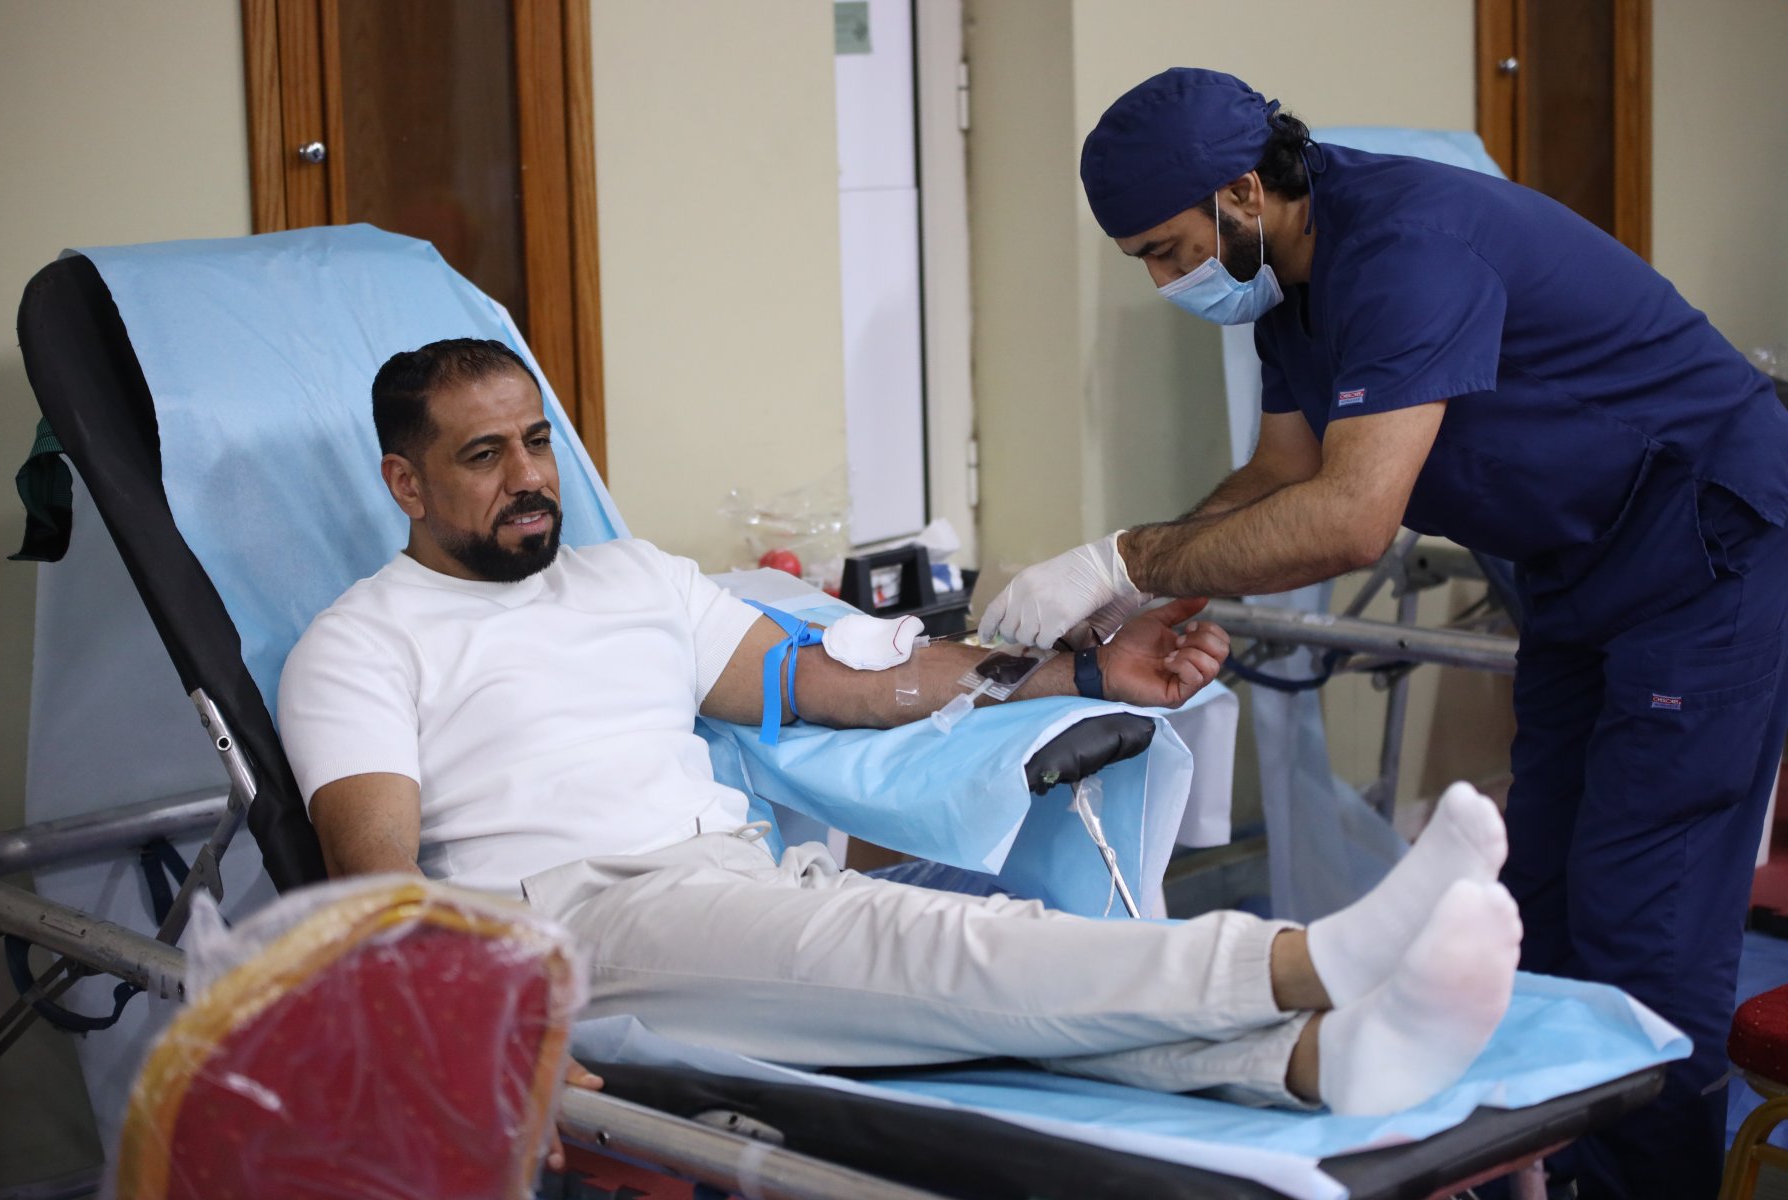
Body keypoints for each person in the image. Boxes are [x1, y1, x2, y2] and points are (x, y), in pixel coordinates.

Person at [276, 337, 1524, 1170]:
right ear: (405, 482)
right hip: (567, 925)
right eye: (483, 456)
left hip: (730, 882)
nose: (529, 477)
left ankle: (1314, 1058)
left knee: (961, 997)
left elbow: (849, 686)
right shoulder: (361, 641)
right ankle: (1309, 960)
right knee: (943, 946)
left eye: (537, 441)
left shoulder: (631, 579)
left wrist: (1085, 672)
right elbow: (374, 890)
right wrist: (481, 1041)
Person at [977, 67, 1788, 1199]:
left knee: (1643, 915)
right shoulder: (1286, 283)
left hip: (1709, 549)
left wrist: (1125, 559)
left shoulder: (1408, 247)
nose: (1165, 280)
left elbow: (1352, 518)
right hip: (1580, 564)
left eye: (1166, 250)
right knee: (1538, 895)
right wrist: (1141, 599)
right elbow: (1283, 469)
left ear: (1243, 192)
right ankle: (1557, 1170)